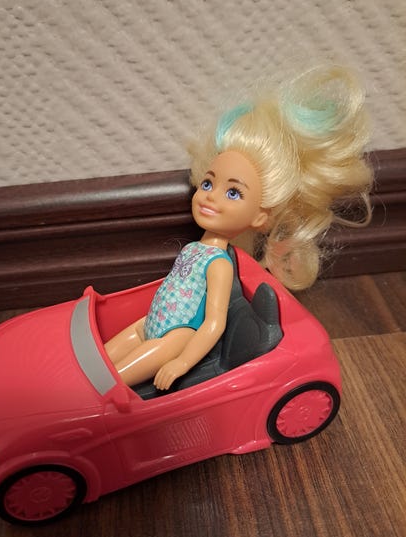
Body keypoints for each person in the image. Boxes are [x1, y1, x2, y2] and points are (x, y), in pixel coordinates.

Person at [105, 65, 373, 391]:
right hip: (150, 323)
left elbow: (214, 324)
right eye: (208, 183)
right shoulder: (193, 249)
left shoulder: (219, 265)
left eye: (233, 193)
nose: (210, 196)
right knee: (99, 360)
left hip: (175, 338)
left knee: (110, 383)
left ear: (260, 217)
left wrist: (181, 362)